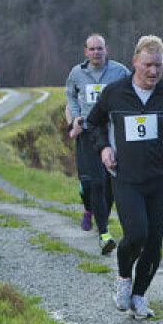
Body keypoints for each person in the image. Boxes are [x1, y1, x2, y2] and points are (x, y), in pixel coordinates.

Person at [85, 35, 163, 320]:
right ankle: (124, 279)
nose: (153, 72)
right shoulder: (115, 93)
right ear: (135, 61)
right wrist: (104, 148)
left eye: (158, 66)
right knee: (136, 234)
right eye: (147, 65)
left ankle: (139, 296)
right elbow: (94, 123)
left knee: (154, 242)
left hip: (160, 179)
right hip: (126, 178)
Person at [65, 33, 130, 254]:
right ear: (86, 52)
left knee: (108, 182)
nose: (96, 52)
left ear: (106, 50)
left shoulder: (119, 72)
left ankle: (102, 225)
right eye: (92, 49)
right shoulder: (76, 73)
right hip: (88, 133)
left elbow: (132, 91)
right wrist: (75, 119)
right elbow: (70, 96)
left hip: (112, 133)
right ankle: (101, 228)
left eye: (99, 49)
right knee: (93, 183)